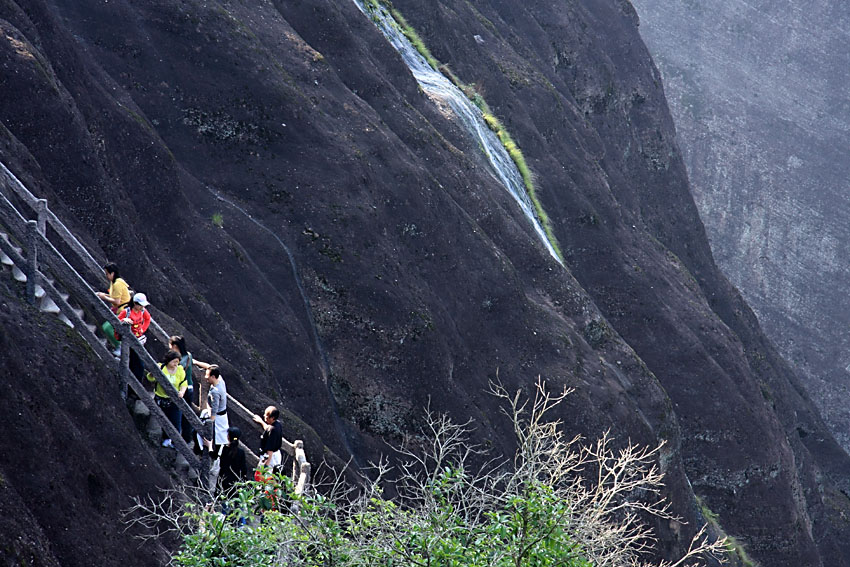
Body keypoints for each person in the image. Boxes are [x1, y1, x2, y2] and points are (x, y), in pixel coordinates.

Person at [146, 350, 188, 448]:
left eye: (177, 362)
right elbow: (151, 378)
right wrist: (152, 374)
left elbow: (184, 383)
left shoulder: (180, 370)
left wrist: (182, 392)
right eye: (174, 362)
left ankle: (176, 442)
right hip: (161, 398)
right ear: (168, 361)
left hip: (174, 400)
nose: (175, 364)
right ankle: (166, 438)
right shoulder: (161, 368)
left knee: (176, 421)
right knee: (164, 419)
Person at [115, 293, 152, 379]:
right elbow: (116, 322)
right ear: (135, 303)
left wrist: (142, 329)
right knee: (132, 361)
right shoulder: (126, 312)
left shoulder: (143, 311)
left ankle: (137, 381)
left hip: (138, 339)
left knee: (139, 362)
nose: (142, 307)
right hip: (128, 340)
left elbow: (147, 319)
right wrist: (124, 320)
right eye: (140, 305)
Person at [97, 263, 131, 349]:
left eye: (107, 274)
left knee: (107, 327)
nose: (106, 276)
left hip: (123, 310)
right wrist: (103, 295)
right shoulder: (115, 282)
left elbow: (116, 301)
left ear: (112, 273)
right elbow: (115, 296)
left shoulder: (117, 284)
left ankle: (120, 347)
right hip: (121, 310)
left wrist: (104, 297)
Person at [169, 336, 195, 445]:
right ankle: (187, 438)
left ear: (175, 346)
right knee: (187, 414)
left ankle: (177, 440)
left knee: (178, 415)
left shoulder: (178, 360)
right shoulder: (189, 355)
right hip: (190, 387)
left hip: (182, 390)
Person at [253, 406, 283, 471]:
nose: (264, 416)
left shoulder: (272, 431)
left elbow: (270, 451)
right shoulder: (277, 425)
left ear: (272, 418)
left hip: (270, 458)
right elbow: (267, 428)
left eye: (266, 415)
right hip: (275, 455)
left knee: (267, 478)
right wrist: (261, 421)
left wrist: (266, 465)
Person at [219, 426, 249, 494]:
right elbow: (244, 469)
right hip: (236, 482)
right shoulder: (241, 452)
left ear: (228, 437)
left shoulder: (225, 449)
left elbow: (221, 464)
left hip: (224, 479)